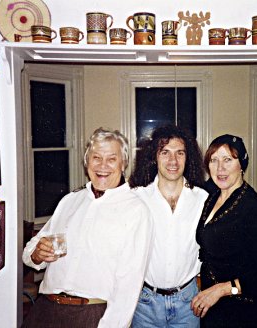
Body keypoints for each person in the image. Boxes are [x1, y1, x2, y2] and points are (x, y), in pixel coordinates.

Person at [22, 127, 153, 328]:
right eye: (96, 158)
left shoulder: (136, 210)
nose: (103, 166)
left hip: (91, 314)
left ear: (124, 163)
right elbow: (30, 251)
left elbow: (129, 285)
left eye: (111, 159)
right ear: (87, 162)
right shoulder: (70, 200)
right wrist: (38, 254)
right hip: (44, 310)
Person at [191, 134, 257, 327]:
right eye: (214, 160)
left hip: (245, 313)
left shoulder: (255, 208)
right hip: (214, 309)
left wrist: (222, 289)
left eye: (228, 160)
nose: (220, 168)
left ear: (242, 164)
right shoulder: (212, 197)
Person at [129, 125, 208, 327]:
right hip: (145, 302)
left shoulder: (202, 199)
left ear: (187, 157)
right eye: (165, 153)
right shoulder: (137, 197)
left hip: (188, 302)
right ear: (154, 157)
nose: (173, 161)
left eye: (179, 153)